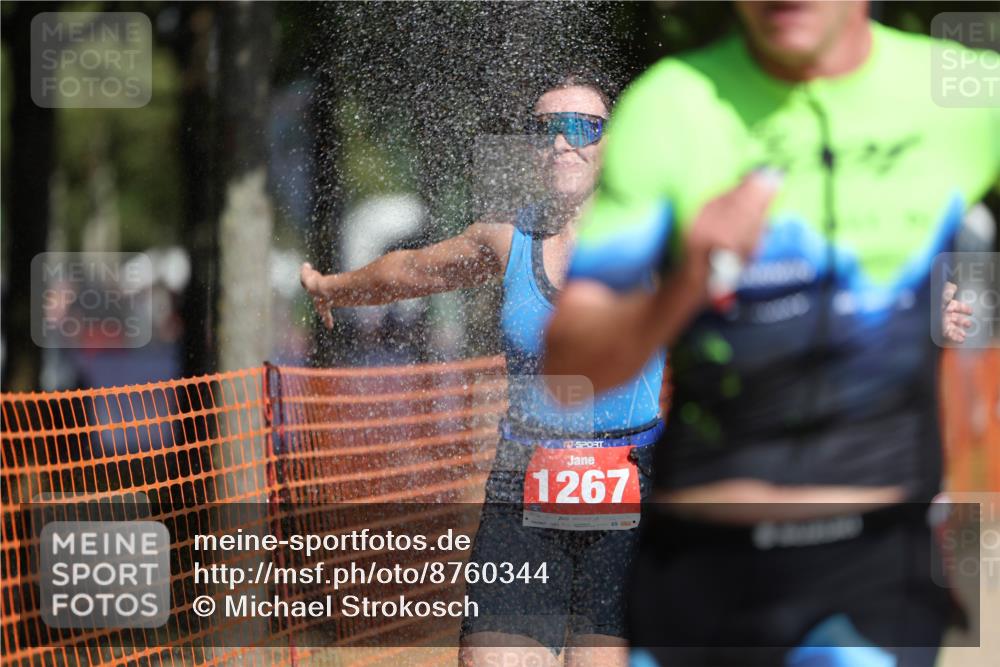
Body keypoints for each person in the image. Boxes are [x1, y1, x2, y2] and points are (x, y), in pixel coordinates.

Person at [543, 2, 999, 665]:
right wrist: (686, 280)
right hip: (695, 581)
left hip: (869, 582)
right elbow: (568, 367)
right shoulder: (672, 105)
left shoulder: (958, 92)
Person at [300, 73, 667, 667]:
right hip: (523, 482)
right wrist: (331, 287)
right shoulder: (509, 239)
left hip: (633, 482)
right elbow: (412, 271)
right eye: (546, 128)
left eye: (583, 127)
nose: (562, 142)